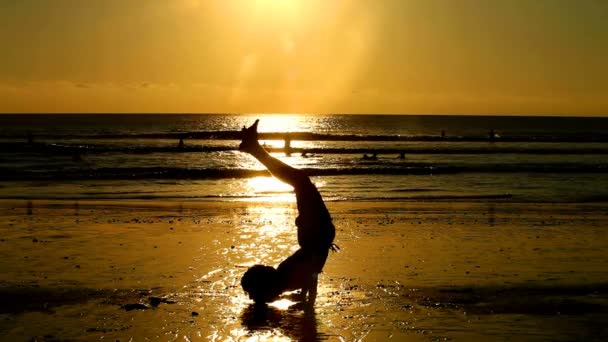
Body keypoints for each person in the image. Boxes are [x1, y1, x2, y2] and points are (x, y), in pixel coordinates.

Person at [239, 120, 337, 305]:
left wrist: (304, 298)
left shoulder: (285, 277)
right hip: (316, 233)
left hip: (316, 233)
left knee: (300, 181)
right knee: (301, 181)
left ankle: (254, 148)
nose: (267, 267)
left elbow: (311, 273)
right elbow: (312, 274)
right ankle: (254, 148)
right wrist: (307, 299)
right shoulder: (285, 277)